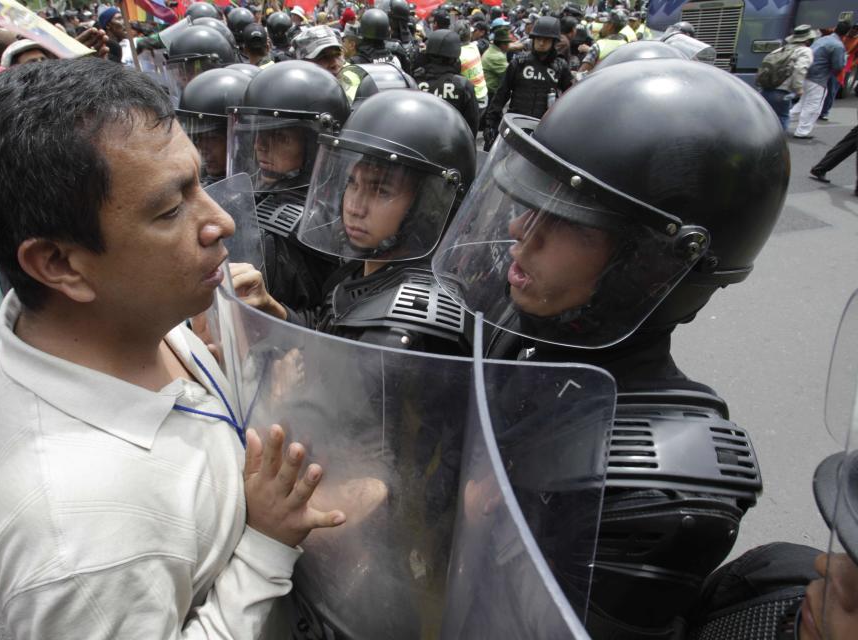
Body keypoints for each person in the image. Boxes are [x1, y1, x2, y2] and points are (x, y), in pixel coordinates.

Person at [0, 56, 345, 638]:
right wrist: (263, 545)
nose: (220, 224)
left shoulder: (116, 318)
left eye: (198, 183)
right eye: (169, 209)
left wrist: (230, 348)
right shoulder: (73, 537)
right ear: (59, 263)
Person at [432, 58, 788, 638]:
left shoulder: (664, 484)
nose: (523, 230)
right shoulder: (522, 322)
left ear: (648, 267)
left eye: (571, 221)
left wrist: (494, 534)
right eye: (536, 199)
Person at [237, 89, 476, 356]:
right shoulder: (370, 265)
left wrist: (286, 387)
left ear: (427, 205)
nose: (354, 207)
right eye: (353, 183)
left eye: (381, 191)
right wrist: (272, 309)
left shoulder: (405, 324)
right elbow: (327, 330)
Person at [225, 61, 347, 311]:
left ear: (315, 145)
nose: (260, 146)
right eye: (258, 133)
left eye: (279, 137)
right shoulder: (255, 197)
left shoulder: (342, 207)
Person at [483, 16, 572, 150]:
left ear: (553, 42)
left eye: (546, 39)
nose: (541, 43)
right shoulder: (519, 63)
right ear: (533, 39)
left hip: (543, 129)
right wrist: (490, 123)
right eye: (538, 38)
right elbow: (502, 93)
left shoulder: (560, 67)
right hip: (516, 124)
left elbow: (569, 96)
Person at [177, 67, 252, 185]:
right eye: (198, 139)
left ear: (243, 139)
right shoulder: (200, 181)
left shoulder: (260, 186)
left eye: (212, 138)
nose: (203, 149)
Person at [790, 20, 849, 139]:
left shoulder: (823, 39)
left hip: (806, 74)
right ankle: (802, 131)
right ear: (845, 34)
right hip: (818, 78)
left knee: (802, 103)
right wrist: (844, 60)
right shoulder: (838, 46)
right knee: (813, 105)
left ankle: (783, 120)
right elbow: (838, 66)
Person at [413, 29, 479, 133]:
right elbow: (471, 127)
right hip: (450, 143)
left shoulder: (413, 80)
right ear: (455, 57)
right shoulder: (463, 86)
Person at [756, 25, 816, 131]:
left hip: (766, 89)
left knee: (764, 118)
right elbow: (800, 69)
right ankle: (778, 144)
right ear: (808, 40)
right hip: (783, 91)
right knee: (782, 118)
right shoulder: (805, 51)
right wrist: (799, 89)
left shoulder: (779, 50)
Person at [481, 27, 512, 102]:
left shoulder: (493, 49)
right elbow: (510, 74)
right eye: (508, 43)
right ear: (503, 44)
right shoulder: (497, 56)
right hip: (491, 93)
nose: (509, 45)